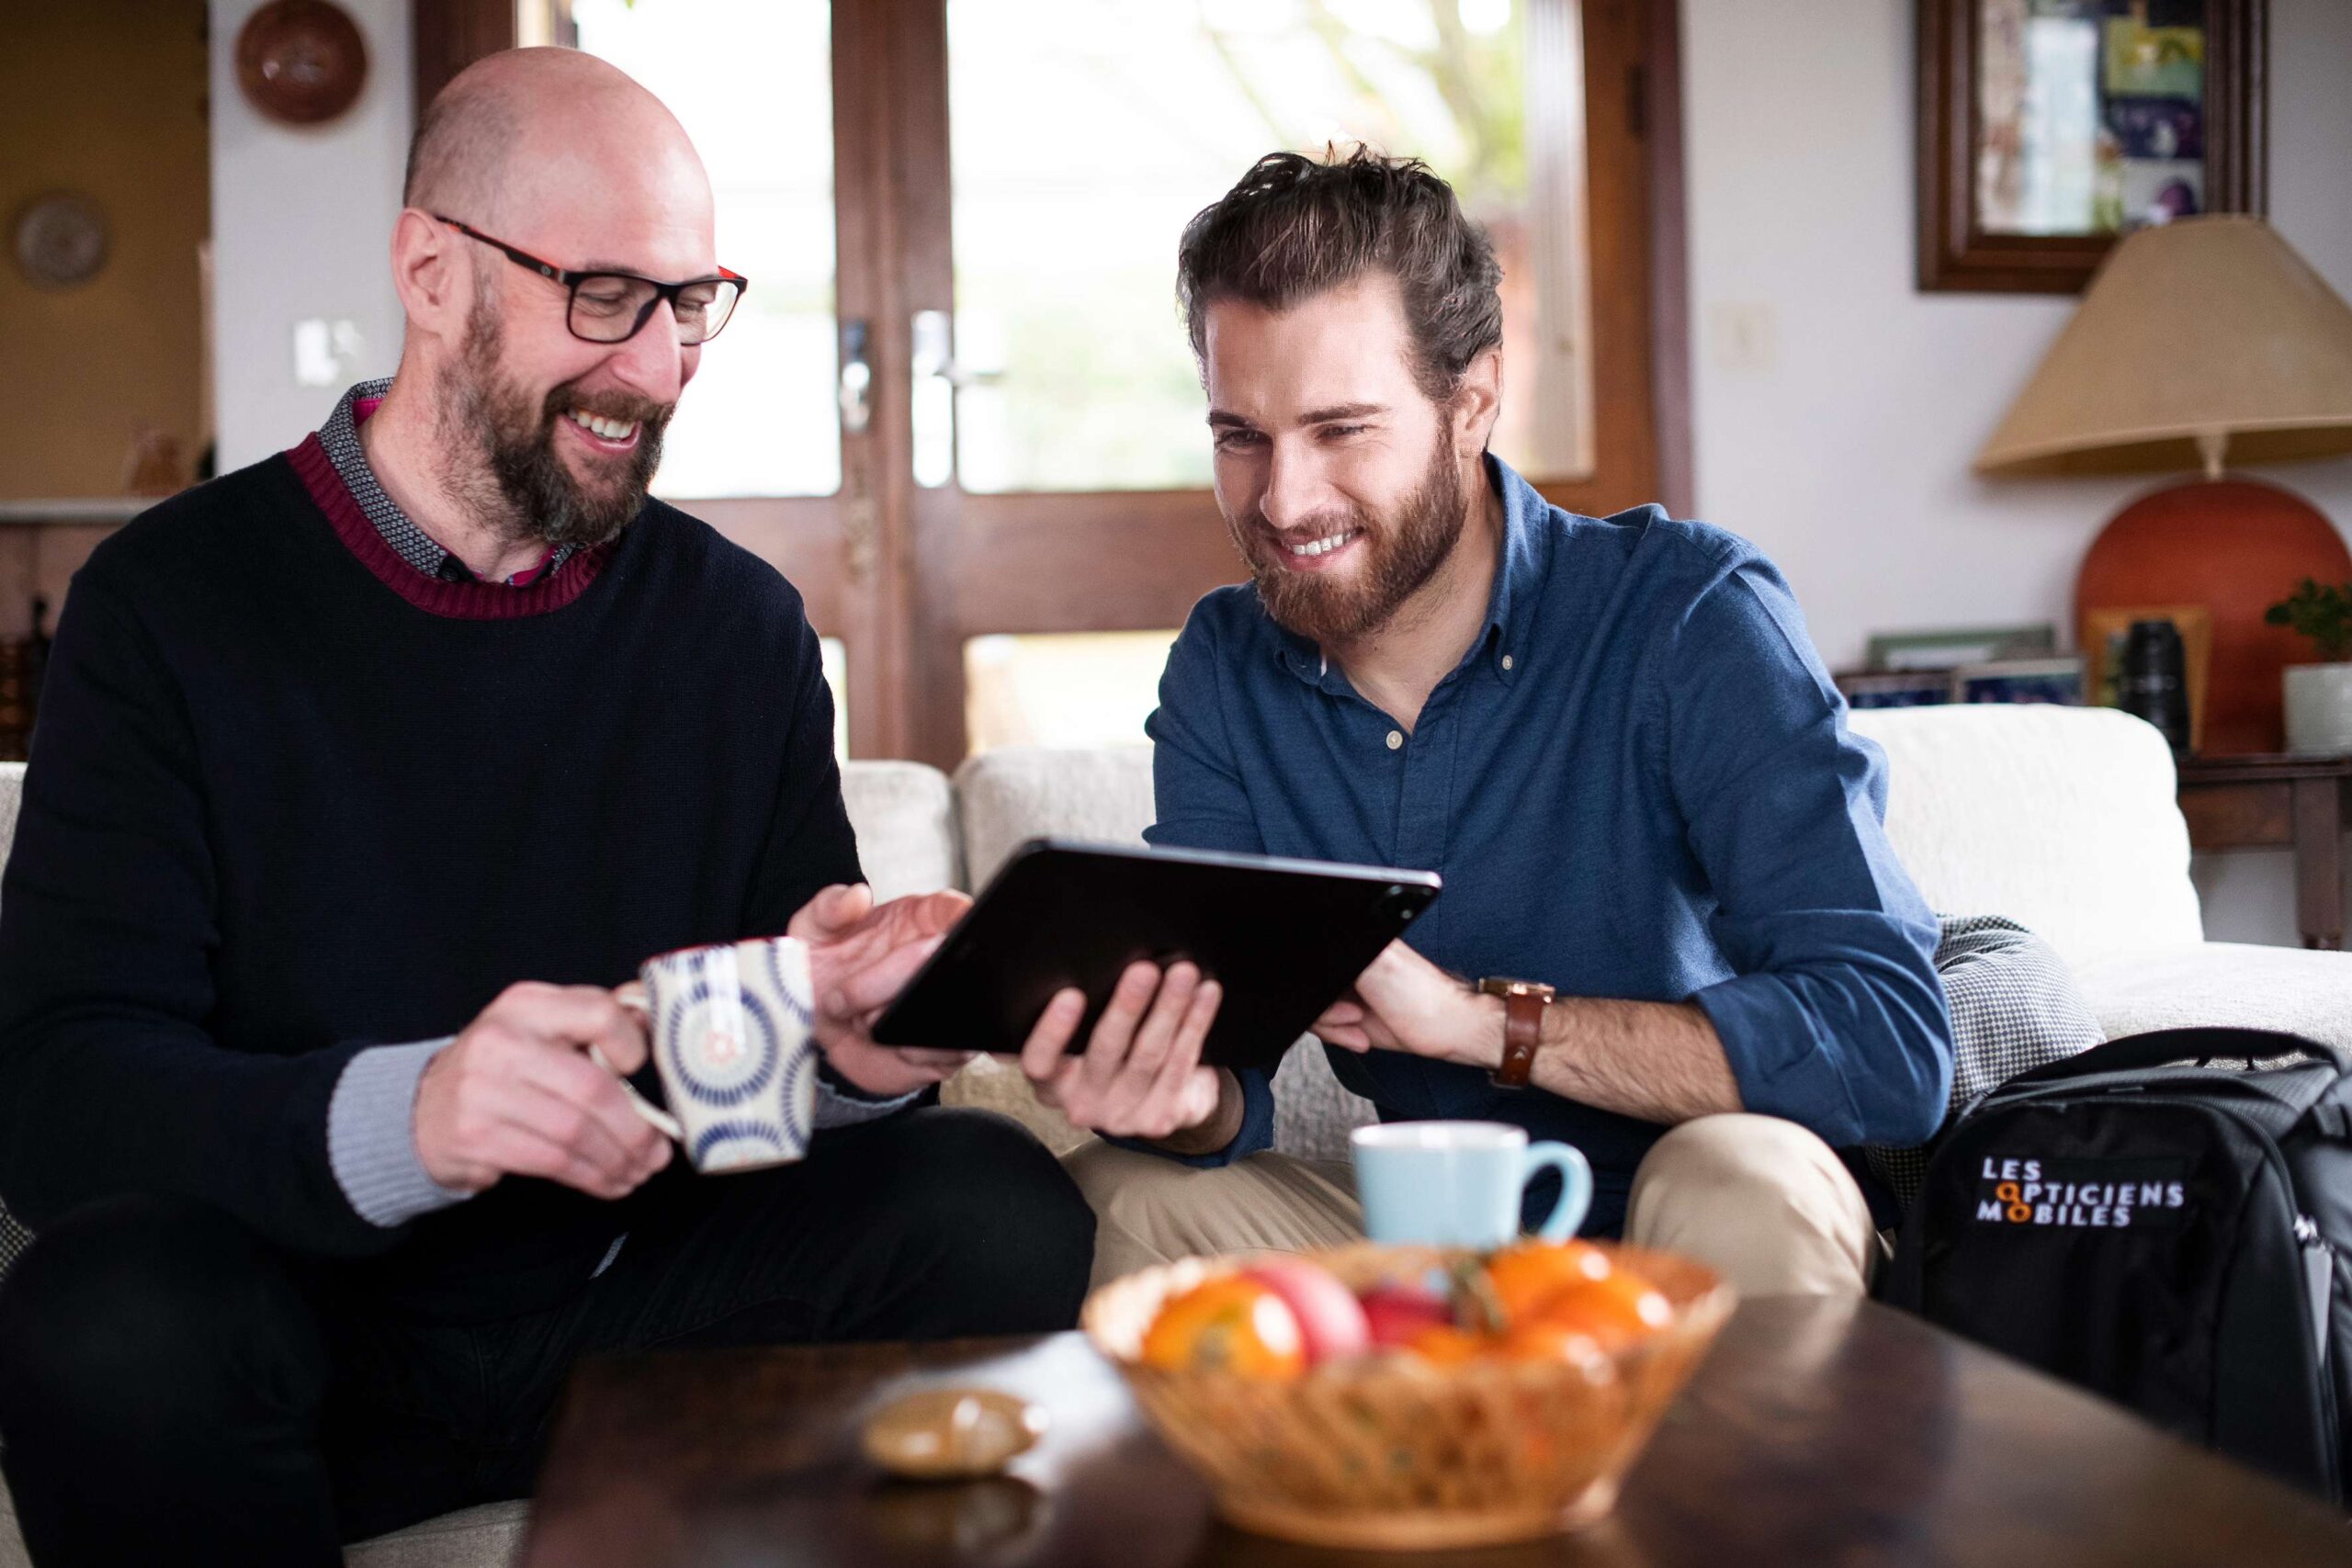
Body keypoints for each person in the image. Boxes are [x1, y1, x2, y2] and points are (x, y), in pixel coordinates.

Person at [0, 49, 1091, 1568]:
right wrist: (416, 1116)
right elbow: (60, 1097)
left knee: (990, 1199)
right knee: (102, 1312)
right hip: (308, 1331)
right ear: (432, 271)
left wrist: (849, 1054)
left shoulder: (739, 632)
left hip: (639, 1315)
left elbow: (756, 1066)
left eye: (689, 301)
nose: (655, 367)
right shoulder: (171, 608)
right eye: (602, 296)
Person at [1024, 148, 1955, 1299]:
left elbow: (1887, 1043)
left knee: (1738, 1182)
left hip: (1689, 1204)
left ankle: (1713, 1483)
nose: (1282, 501)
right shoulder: (1225, 667)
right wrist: (1175, 1095)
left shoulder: (1688, 614)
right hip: (1428, 1237)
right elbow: (1233, 1073)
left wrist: (1480, 1026)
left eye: (1340, 430)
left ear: (1469, 403)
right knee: (1121, 1199)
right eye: (1240, 437)